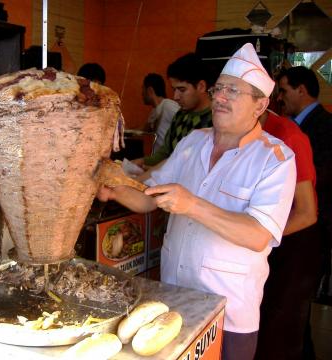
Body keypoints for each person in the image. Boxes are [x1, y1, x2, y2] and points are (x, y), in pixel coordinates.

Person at [97, 43, 296, 360]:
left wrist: (192, 205)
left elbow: (258, 235)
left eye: (233, 91)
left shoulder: (275, 159)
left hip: (229, 312)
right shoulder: (194, 142)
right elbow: (150, 197)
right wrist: (116, 189)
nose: (219, 97)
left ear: (260, 105)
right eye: (219, 89)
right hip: (173, 300)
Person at [255, 109, 320, 360]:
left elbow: (307, 213)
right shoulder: (229, 133)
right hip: (262, 240)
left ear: (259, 102)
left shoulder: (288, 136)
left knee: (280, 328)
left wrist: (255, 238)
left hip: (292, 242)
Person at [277, 66, 332, 300]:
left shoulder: (324, 126)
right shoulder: (288, 125)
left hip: (311, 227)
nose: (279, 98)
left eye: (283, 91)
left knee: (294, 301)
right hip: (290, 225)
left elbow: (321, 176)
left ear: (301, 90)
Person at [133, 53, 213, 169]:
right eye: (174, 89)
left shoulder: (215, 120)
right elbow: (165, 152)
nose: (175, 96)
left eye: (182, 90)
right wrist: (140, 162)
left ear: (201, 86)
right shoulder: (180, 116)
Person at [142, 73, 180, 152]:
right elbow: (144, 130)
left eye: (143, 89)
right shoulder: (154, 111)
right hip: (156, 159)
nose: (142, 94)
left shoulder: (168, 105)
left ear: (150, 90)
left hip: (167, 159)